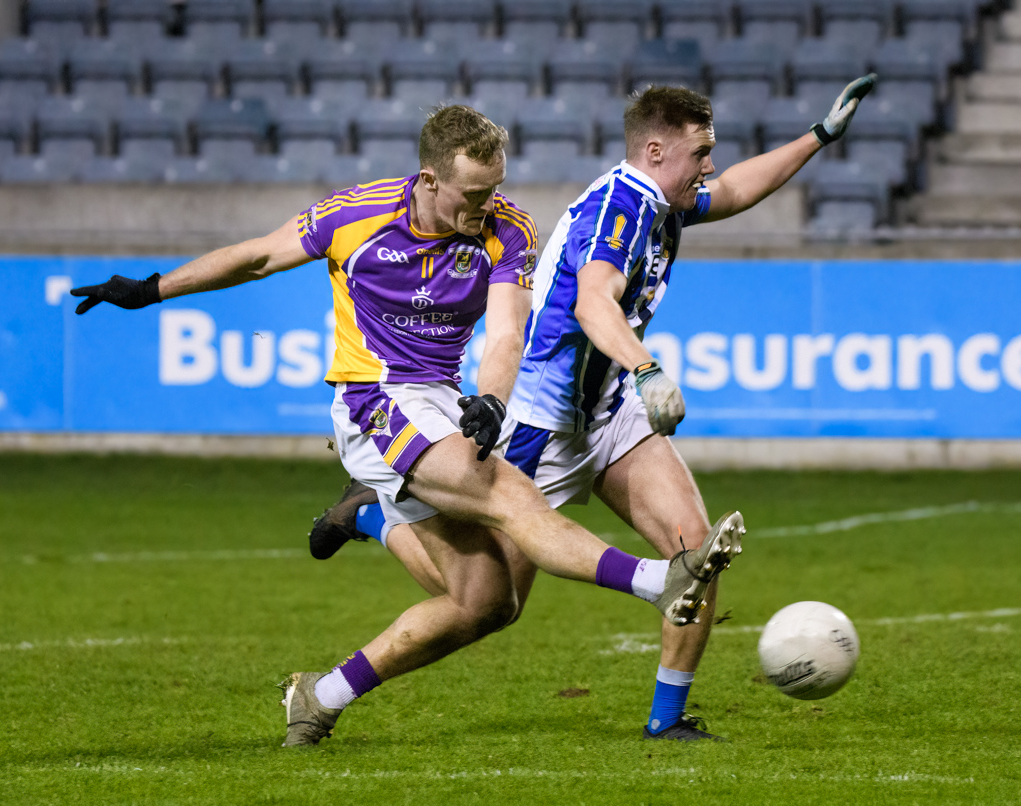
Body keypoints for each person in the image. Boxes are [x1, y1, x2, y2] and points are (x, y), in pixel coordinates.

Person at [70, 104, 746, 748]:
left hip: (444, 402)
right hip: (374, 400)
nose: (481, 208)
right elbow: (254, 257)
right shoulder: (355, 215)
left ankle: (321, 693)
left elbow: (509, 328)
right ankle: (661, 581)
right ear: (429, 179)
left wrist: (490, 397)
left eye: (493, 191)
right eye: (471, 194)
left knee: (486, 604)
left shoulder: (507, 227)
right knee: (512, 499)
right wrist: (152, 290)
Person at [311, 77, 876, 741]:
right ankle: (374, 518)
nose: (710, 165)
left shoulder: (664, 199)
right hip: (538, 427)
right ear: (658, 150)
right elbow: (592, 304)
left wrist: (818, 137)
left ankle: (666, 722)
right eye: (701, 152)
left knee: (694, 548)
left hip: (604, 415)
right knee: (484, 605)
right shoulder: (616, 210)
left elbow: (734, 192)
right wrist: (646, 367)